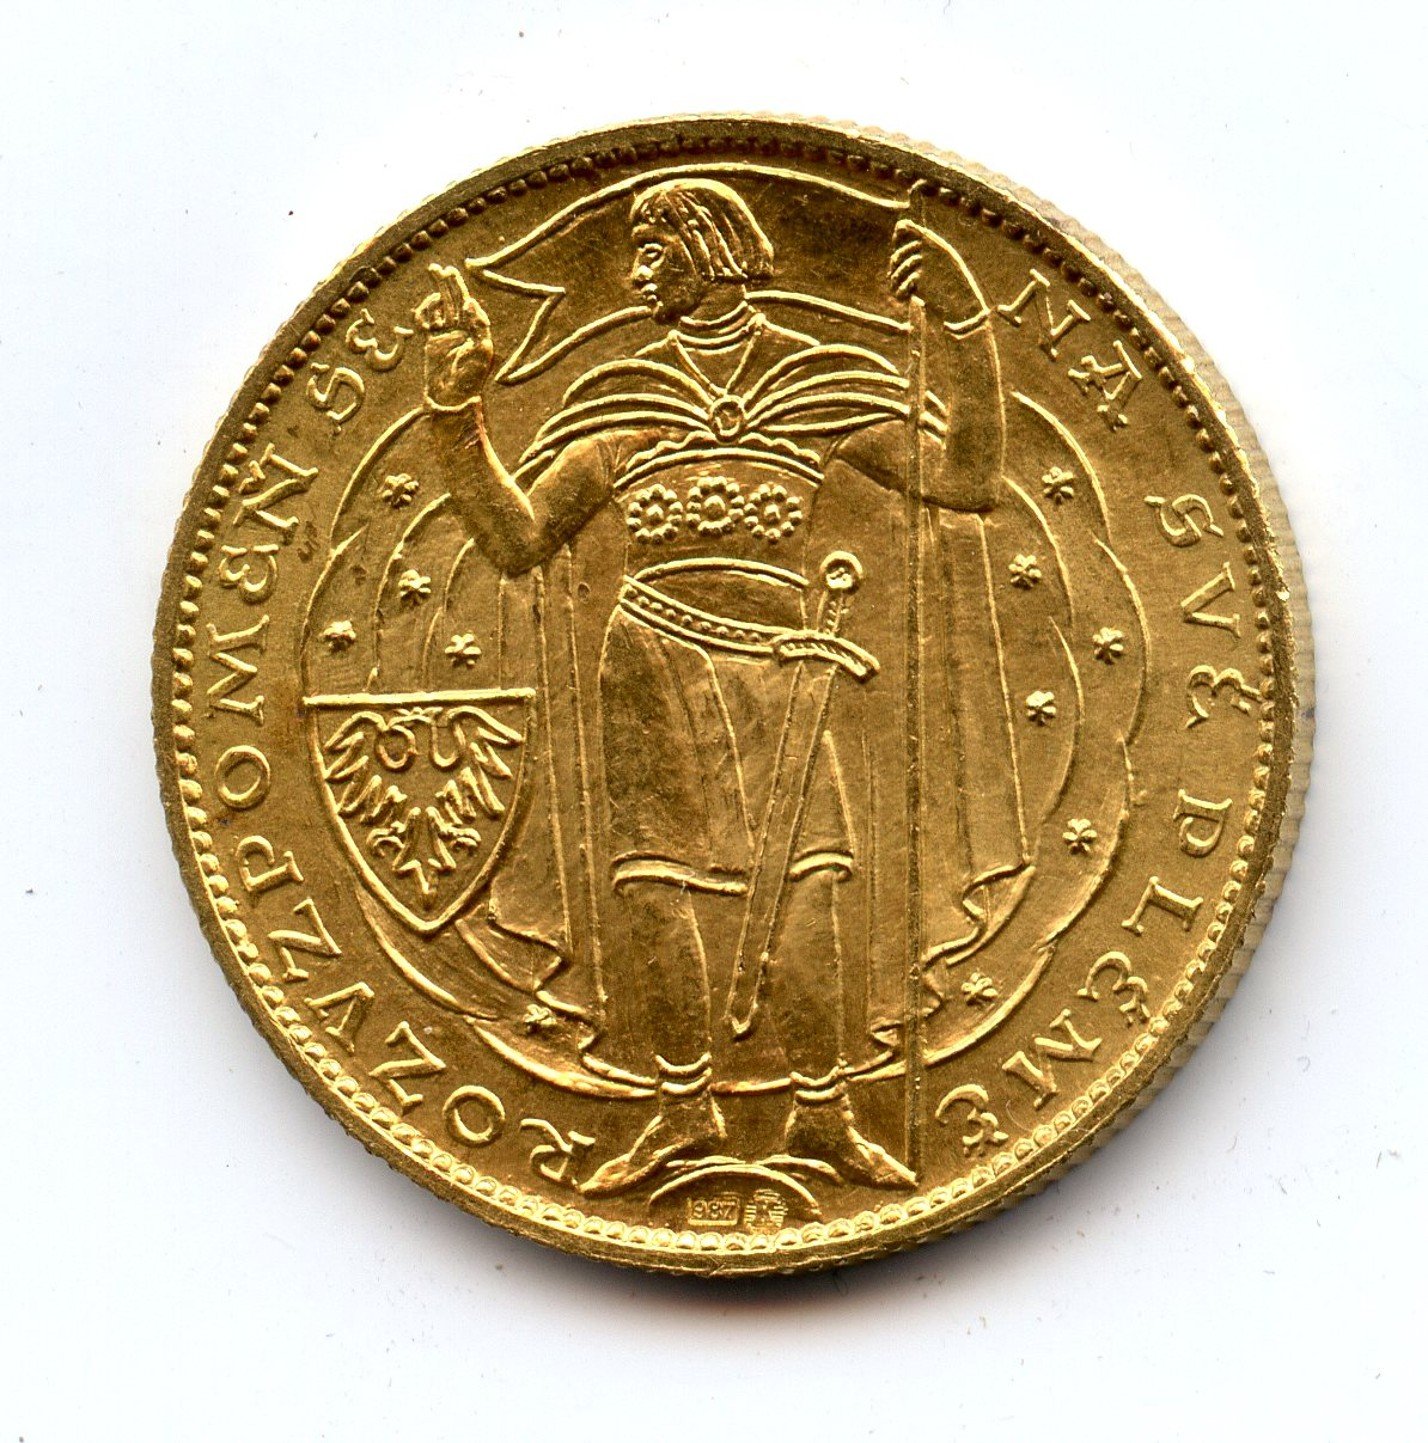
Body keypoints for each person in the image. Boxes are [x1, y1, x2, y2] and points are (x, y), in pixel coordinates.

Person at [417, 178, 1004, 1194]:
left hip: (783, 667)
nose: (637, 274)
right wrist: (454, 407)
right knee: (655, 889)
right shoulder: (625, 396)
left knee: (811, 882)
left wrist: (966, 324)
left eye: (654, 253)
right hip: (651, 660)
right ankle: (683, 1111)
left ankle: (823, 1115)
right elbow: (518, 538)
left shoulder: (812, 381)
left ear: (707, 251)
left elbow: (967, 479)